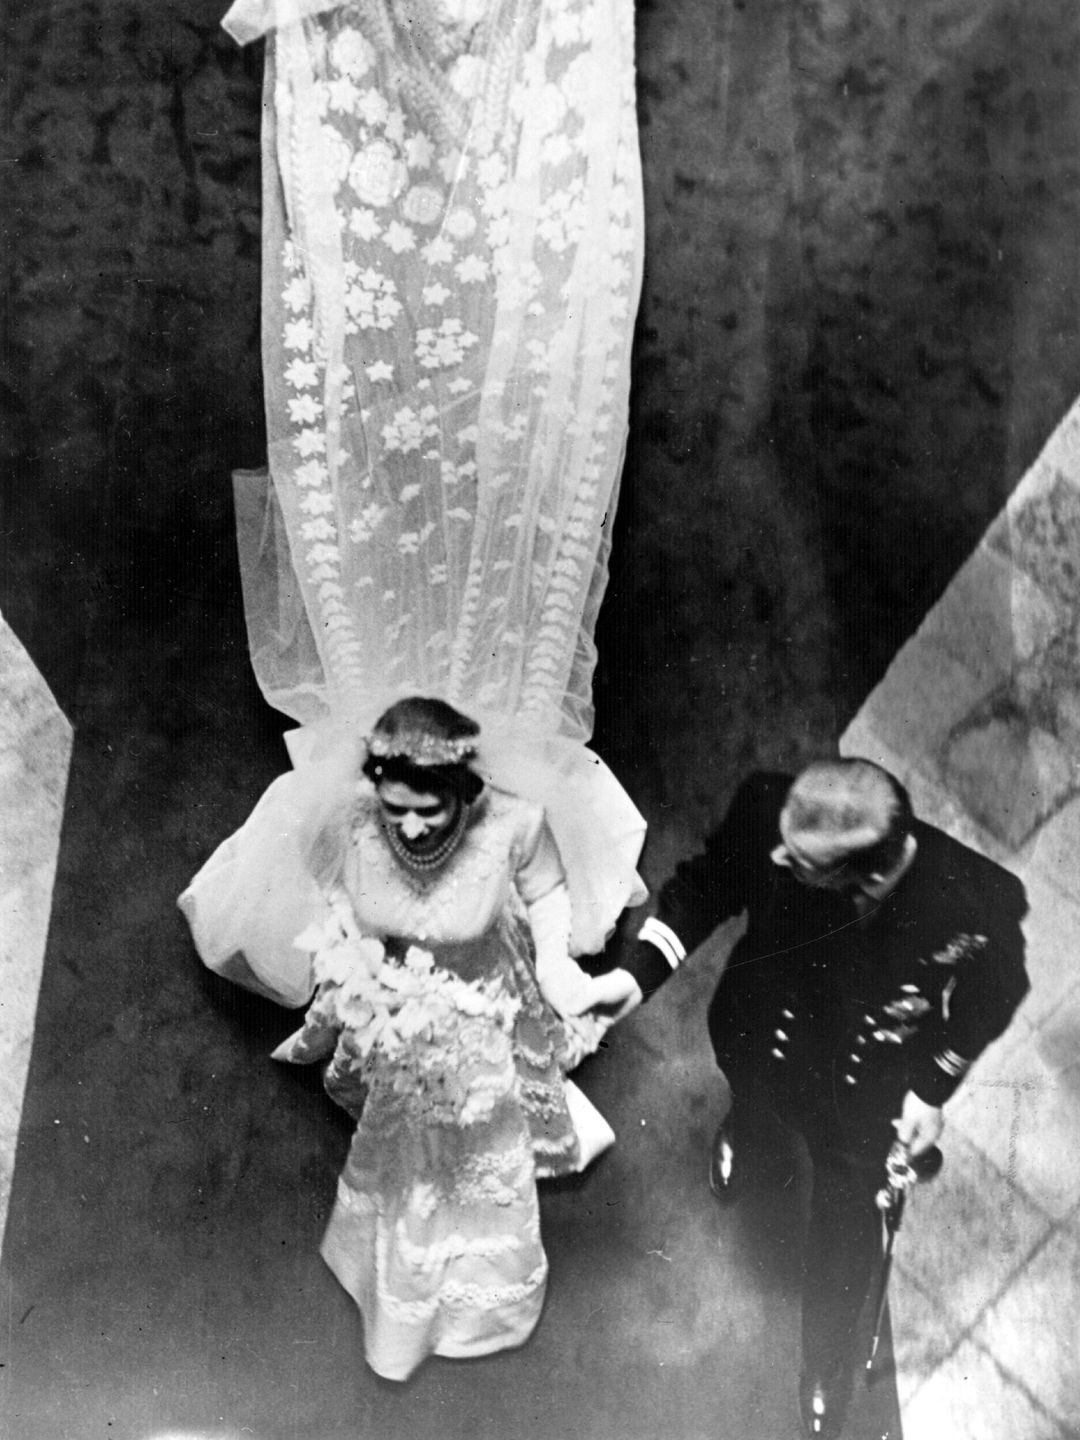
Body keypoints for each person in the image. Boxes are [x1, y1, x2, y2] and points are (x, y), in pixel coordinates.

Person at [616, 758, 1029, 1439]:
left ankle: (824, 1366)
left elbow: (996, 987)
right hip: (765, 1028)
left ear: (862, 875)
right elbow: (709, 881)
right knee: (750, 1092)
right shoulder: (774, 808)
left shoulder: (969, 898)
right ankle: (745, 1132)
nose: (777, 855)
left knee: (846, 1232)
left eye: (798, 861)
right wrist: (637, 977)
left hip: (864, 1088)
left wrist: (931, 1089)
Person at [261, 695, 638, 1379]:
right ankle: (401, 1300)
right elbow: (335, 892)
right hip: (397, 1020)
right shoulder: (351, 819)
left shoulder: (516, 825)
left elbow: (549, 898)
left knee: (480, 1162)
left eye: (427, 810)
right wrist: (355, 957)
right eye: (393, 805)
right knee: (408, 1159)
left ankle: (485, 1305)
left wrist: (563, 978)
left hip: (481, 1020)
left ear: (463, 794)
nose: (407, 825)